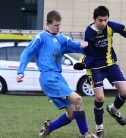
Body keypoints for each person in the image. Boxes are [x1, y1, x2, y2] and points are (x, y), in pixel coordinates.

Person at [73, 6, 126, 138]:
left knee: (125, 92)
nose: (103, 23)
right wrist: (83, 64)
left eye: (105, 20)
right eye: (100, 20)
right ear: (94, 19)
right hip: (96, 68)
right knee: (100, 97)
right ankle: (99, 129)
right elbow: (90, 54)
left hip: (111, 65)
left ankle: (113, 109)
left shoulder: (111, 26)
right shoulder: (89, 32)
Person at [16, 10, 98, 138]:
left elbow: (76, 46)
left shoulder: (61, 38)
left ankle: (49, 128)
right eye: (56, 25)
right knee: (78, 99)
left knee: (71, 114)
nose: (58, 27)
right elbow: (26, 53)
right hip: (48, 77)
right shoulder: (41, 37)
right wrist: (20, 72)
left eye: (60, 25)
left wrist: (85, 45)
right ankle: (85, 134)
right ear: (47, 24)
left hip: (58, 77)